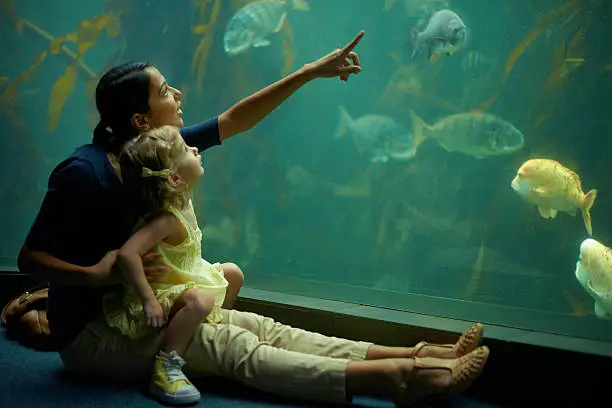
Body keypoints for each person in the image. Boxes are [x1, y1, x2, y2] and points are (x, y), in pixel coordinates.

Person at [18, 30, 490, 407]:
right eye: (165, 90)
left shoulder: (159, 150)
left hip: (153, 311)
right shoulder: (84, 172)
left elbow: (235, 120)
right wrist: (95, 276)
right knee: (235, 349)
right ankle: (399, 380)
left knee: (262, 329)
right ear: (140, 120)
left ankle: (420, 354)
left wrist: (307, 73)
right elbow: (30, 258)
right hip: (94, 336)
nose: (178, 93)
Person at [103, 125, 239, 404]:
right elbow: (127, 254)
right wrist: (148, 300)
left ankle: (211, 334)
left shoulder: (183, 200)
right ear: (175, 179)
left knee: (232, 274)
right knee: (200, 301)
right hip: (165, 290)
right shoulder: (166, 219)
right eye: (186, 150)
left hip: (186, 277)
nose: (195, 149)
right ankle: (167, 364)